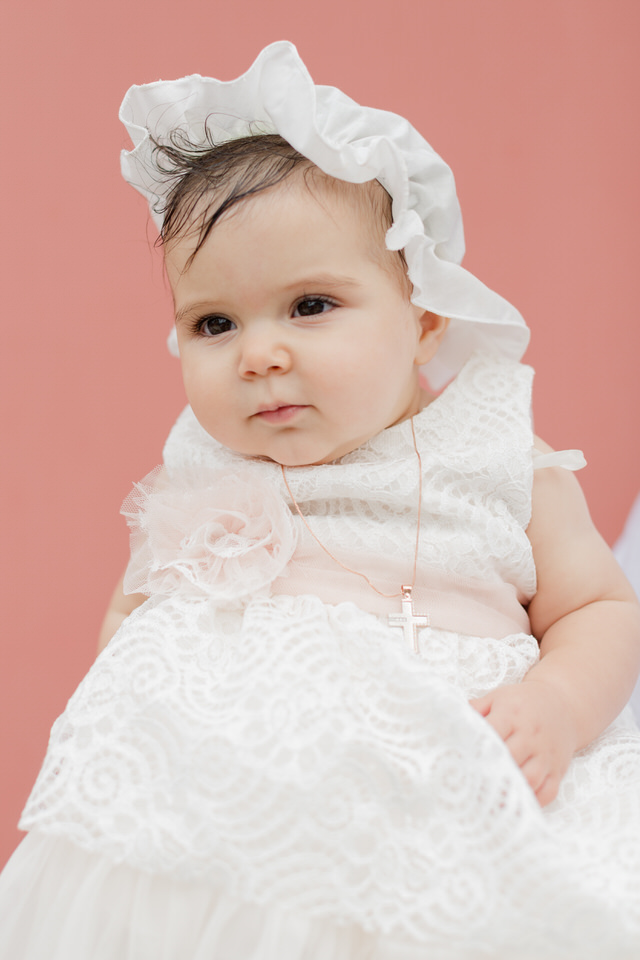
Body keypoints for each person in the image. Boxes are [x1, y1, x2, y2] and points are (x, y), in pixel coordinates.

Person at [1, 40, 639, 960]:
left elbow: (598, 606)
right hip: (224, 824)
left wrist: (561, 704)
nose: (259, 354)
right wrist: (129, 742)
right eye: (214, 323)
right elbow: (135, 618)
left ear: (425, 316)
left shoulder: (495, 453)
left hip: (444, 799)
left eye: (310, 306)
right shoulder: (204, 463)